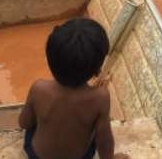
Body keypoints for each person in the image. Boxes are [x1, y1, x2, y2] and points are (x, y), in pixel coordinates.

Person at [18, 18, 129, 159]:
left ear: (50, 61)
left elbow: (24, 123)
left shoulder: (38, 87)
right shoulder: (100, 97)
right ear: (97, 69)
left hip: (36, 155)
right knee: (99, 126)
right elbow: (104, 141)